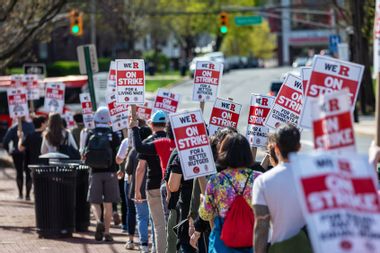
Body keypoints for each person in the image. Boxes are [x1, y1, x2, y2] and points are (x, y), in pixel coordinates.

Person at [196, 133, 261, 252]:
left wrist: (202, 202)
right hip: (253, 240)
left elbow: (206, 214)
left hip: (222, 243)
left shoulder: (216, 180)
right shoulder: (259, 179)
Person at [252, 124, 304, 253]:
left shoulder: (263, 181)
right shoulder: (311, 176)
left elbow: (261, 226)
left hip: (278, 247)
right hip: (308, 246)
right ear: (299, 147)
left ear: (276, 148)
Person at [133, 110, 168, 253]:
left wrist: (137, 190)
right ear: (165, 125)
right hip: (172, 184)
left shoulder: (148, 142)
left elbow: (141, 168)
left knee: (158, 225)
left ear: (152, 125)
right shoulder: (171, 140)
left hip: (153, 185)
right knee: (170, 222)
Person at [84, 107, 121, 242]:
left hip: (94, 172)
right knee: (108, 203)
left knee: (95, 201)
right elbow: (119, 151)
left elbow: (84, 151)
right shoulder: (113, 134)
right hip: (110, 172)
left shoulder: (90, 133)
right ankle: (107, 232)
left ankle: (98, 220)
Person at [116, 125, 153, 252]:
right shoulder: (155, 147)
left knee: (139, 216)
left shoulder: (134, 150)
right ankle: (155, 244)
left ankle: (140, 243)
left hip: (137, 188)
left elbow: (128, 170)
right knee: (154, 218)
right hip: (154, 186)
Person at [3, 117, 35, 199]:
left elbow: (5, 141)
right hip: (30, 152)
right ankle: (27, 195)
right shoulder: (31, 126)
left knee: (19, 172)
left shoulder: (13, 128)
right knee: (28, 173)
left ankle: (20, 194)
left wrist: (9, 151)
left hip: (17, 153)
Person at [17, 116, 47, 200]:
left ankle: (27, 195)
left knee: (29, 178)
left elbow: (20, 148)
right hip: (44, 163)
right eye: (45, 123)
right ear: (42, 124)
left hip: (31, 162)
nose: (46, 125)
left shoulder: (30, 135)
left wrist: (20, 138)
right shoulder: (46, 136)